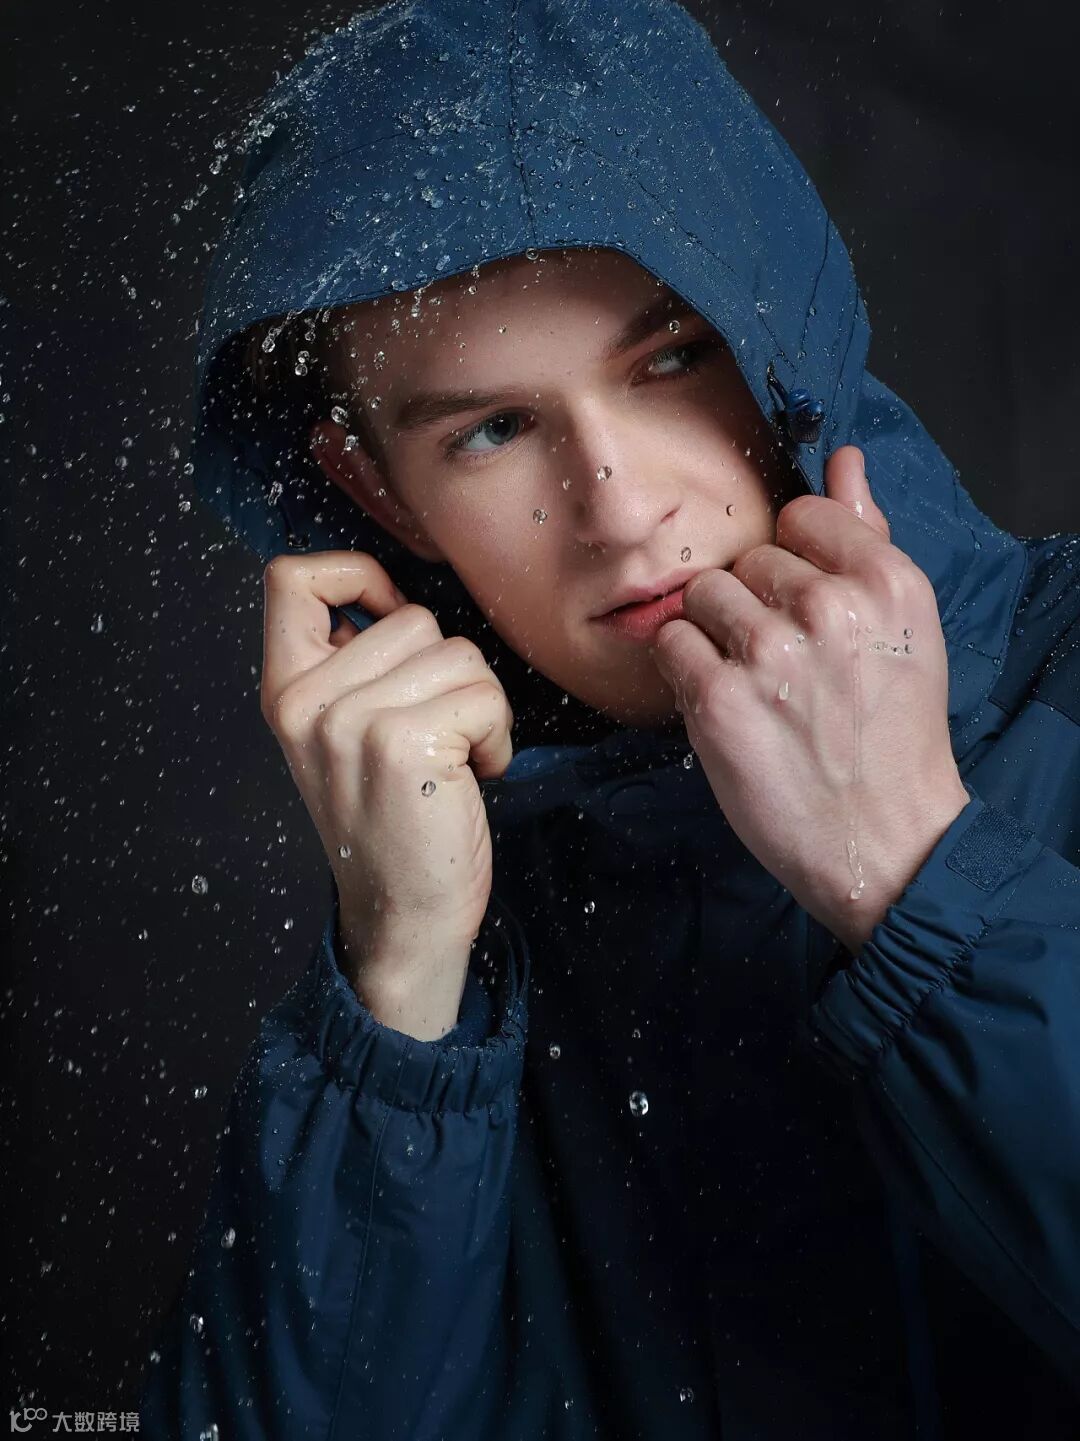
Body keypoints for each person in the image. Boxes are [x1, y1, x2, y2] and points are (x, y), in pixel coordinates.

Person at [137, 0, 1080, 1435]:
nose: (621, 508)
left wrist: (912, 873)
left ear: (780, 329)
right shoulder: (464, 933)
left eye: (672, 360)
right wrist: (401, 999)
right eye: (493, 430)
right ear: (381, 493)